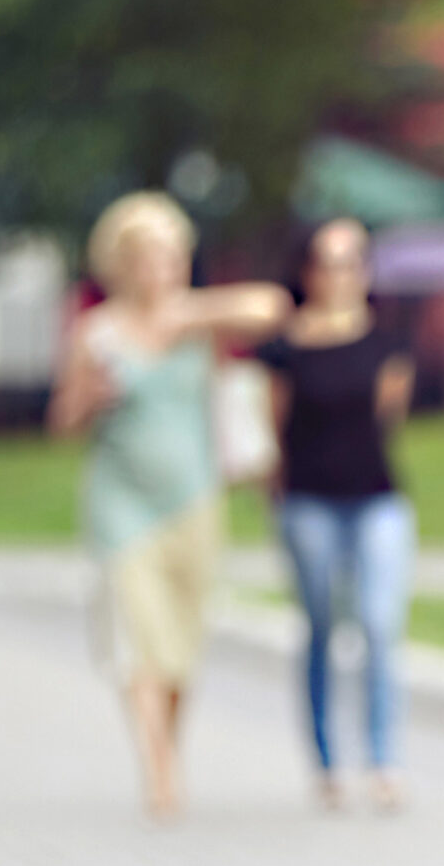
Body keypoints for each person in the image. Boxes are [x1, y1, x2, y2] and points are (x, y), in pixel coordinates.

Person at [48, 191, 288, 820]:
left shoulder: (197, 323)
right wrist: (91, 398)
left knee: (181, 642)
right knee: (137, 639)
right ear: (121, 264)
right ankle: (158, 772)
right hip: (121, 503)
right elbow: (62, 421)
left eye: (170, 255)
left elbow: (271, 308)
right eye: (147, 256)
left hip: (194, 500)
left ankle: (168, 749)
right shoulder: (97, 333)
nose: (160, 267)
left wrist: (183, 313)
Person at [256, 218, 416, 812]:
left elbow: (388, 420)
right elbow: (274, 426)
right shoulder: (284, 346)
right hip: (308, 500)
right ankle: (327, 760)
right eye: (327, 262)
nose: (339, 275)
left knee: (378, 624)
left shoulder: (388, 343)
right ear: (307, 270)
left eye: (351, 262)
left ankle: (383, 759)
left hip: (375, 497)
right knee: (323, 626)